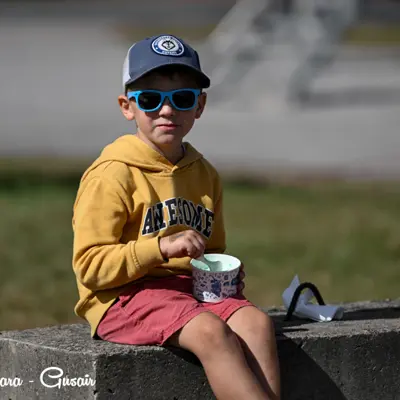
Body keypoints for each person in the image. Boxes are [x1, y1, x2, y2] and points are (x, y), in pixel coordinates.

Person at [72, 34, 280, 400]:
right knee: (210, 332)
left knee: (256, 323)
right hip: (123, 296)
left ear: (199, 106)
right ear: (127, 106)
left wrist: (222, 274)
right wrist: (160, 248)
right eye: (150, 100)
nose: (167, 111)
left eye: (181, 99)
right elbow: (90, 266)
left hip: (187, 291)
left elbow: (210, 248)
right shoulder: (112, 173)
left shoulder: (204, 173)